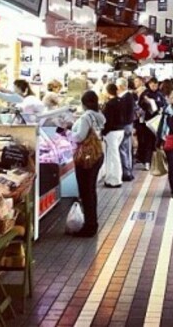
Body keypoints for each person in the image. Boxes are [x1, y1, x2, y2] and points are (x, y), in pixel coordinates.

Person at [70, 90, 106, 237]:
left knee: (85, 192)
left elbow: (79, 137)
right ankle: (92, 223)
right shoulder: (100, 116)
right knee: (91, 191)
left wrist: (67, 133)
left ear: (84, 103)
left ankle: (89, 226)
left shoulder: (86, 117)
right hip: (97, 154)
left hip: (86, 157)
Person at [136, 77, 166, 169]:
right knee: (148, 142)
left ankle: (156, 161)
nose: (154, 87)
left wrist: (160, 108)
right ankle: (147, 161)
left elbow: (163, 104)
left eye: (156, 85)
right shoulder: (145, 94)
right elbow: (141, 106)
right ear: (149, 85)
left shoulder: (160, 94)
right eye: (152, 85)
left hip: (158, 120)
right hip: (148, 122)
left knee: (157, 142)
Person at [101, 83, 124, 188]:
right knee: (111, 155)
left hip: (112, 132)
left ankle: (116, 179)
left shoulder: (110, 104)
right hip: (121, 130)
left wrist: (103, 132)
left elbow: (107, 120)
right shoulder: (121, 101)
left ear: (108, 91)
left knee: (114, 156)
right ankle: (109, 178)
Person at [116, 77, 136, 182]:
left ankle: (126, 172)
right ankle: (128, 171)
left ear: (121, 86)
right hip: (128, 125)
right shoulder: (128, 96)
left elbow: (124, 114)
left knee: (123, 149)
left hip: (125, 126)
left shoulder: (126, 97)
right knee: (126, 148)